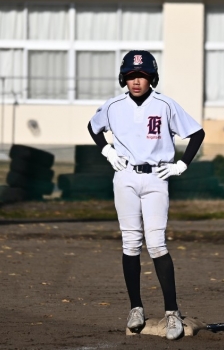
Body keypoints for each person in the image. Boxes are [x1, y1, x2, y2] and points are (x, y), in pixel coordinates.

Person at [87, 50, 205, 340]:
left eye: (142, 75)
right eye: (131, 75)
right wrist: (106, 150)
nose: (136, 81)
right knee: (130, 242)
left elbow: (197, 134)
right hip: (125, 175)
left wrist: (181, 164)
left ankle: (172, 312)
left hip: (156, 177)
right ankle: (135, 308)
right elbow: (93, 127)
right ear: (123, 79)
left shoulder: (165, 104)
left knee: (156, 243)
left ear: (152, 78)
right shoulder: (114, 105)